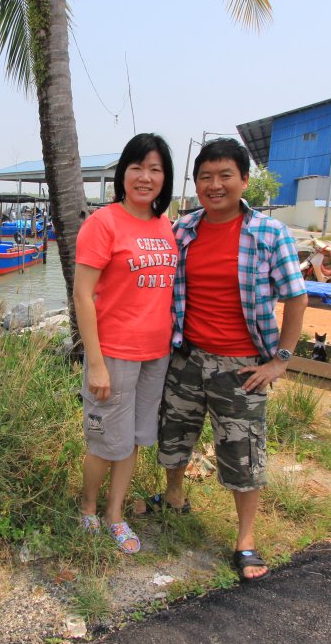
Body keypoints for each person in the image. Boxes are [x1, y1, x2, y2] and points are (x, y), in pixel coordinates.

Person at [152, 137, 306, 583]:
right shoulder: (184, 229)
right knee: (173, 434)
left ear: (244, 180)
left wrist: (280, 360)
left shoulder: (268, 233)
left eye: (224, 176)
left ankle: (245, 539)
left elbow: (297, 298)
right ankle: (175, 497)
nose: (214, 186)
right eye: (205, 177)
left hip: (240, 365)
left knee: (243, 452)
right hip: (187, 356)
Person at [73, 133, 178, 554]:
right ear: (123, 174)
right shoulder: (103, 223)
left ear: (165, 178)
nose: (145, 176)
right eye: (137, 167)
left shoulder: (165, 225)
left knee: (132, 439)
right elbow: (83, 295)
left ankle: (115, 514)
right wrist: (94, 362)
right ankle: (87, 507)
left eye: (155, 169)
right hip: (113, 353)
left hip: (156, 353)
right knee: (104, 442)